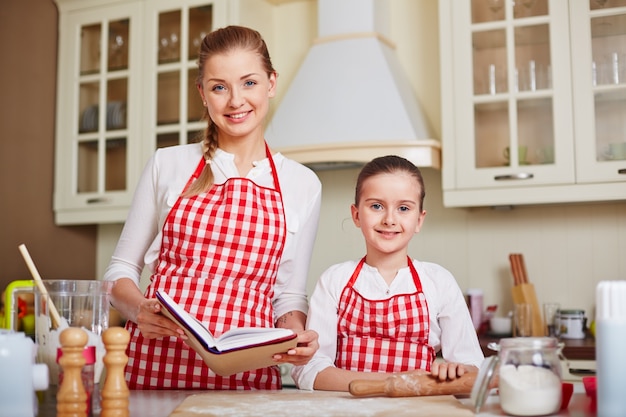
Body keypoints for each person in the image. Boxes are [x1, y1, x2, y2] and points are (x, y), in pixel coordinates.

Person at [103, 25, 322, 390]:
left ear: (271, 83)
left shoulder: (302, 184)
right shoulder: (167, 163)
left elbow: (289, 297)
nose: (236, 101)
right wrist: (138, 309)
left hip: (246, 384)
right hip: (155, 370)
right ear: (203, 94)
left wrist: (295, 336)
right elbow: (119, 271)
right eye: (220, 87)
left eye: (249, 83)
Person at [292, 155, 484, 391]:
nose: (389, 219)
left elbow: (473, 367)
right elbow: (310, 371)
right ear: (356, 215)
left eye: (403, 208)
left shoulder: (439, 282)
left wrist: (455, 371)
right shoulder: (334, 281)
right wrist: (396, 383)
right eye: (376, 206)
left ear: (419, 220)